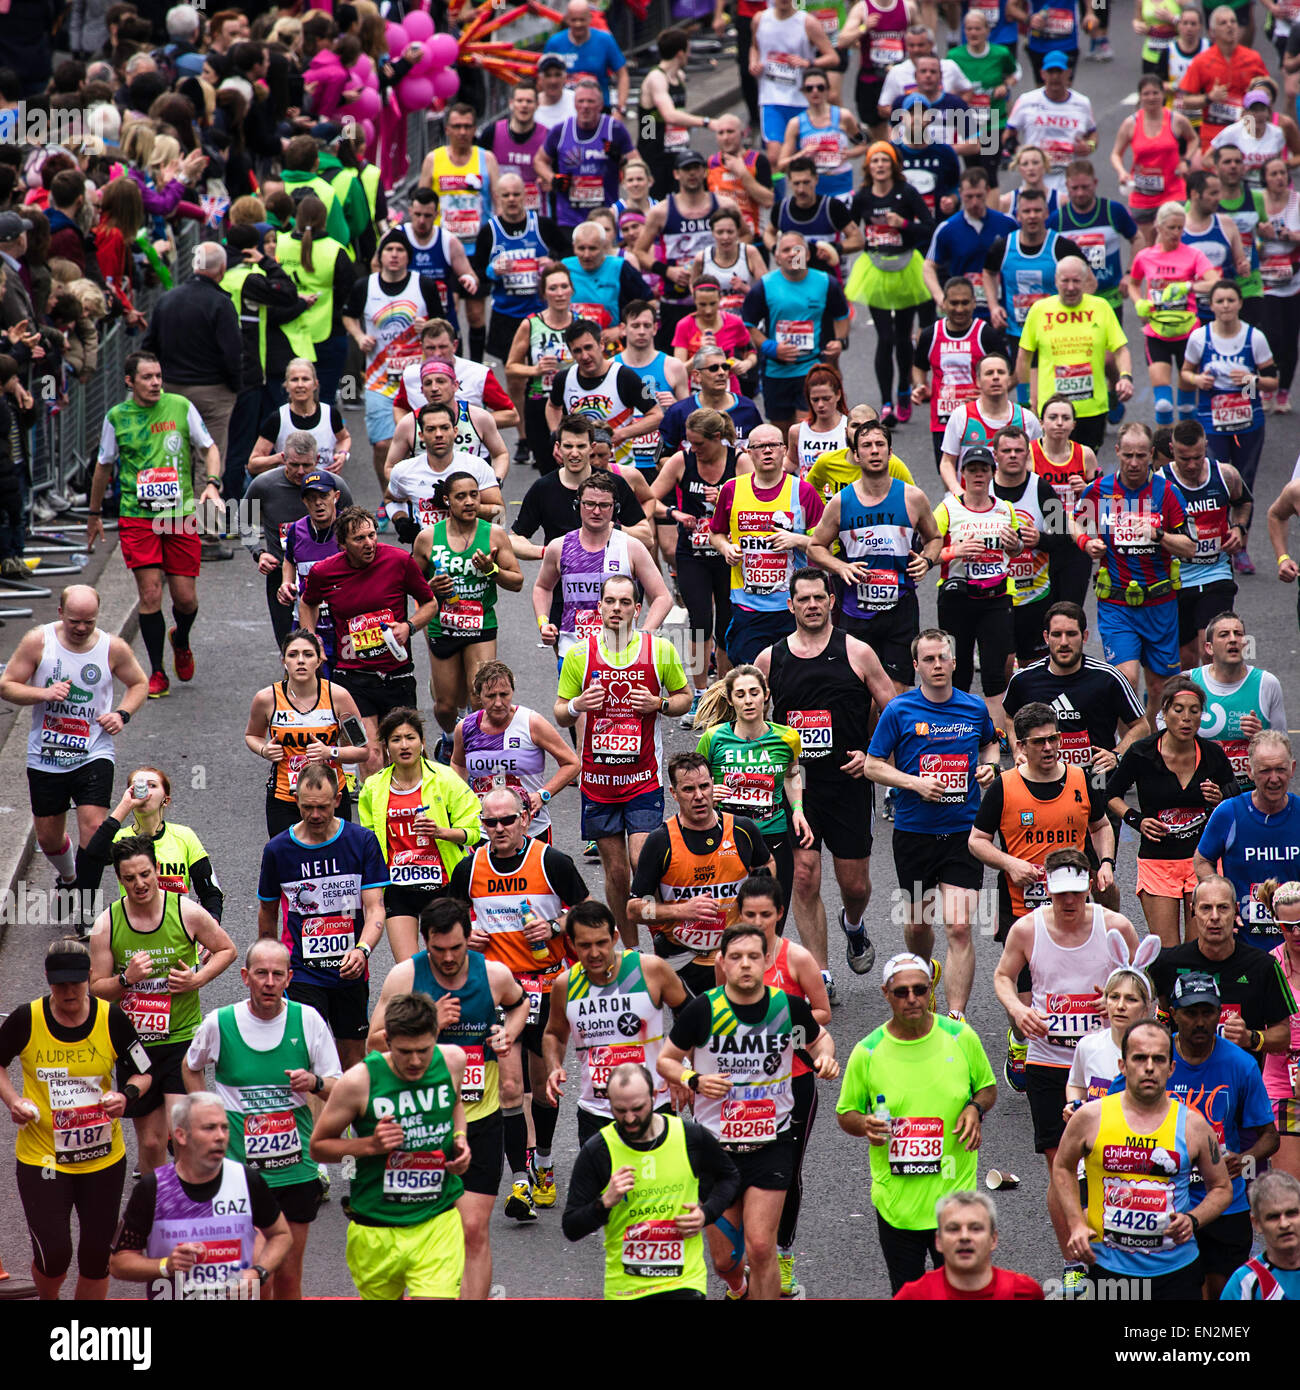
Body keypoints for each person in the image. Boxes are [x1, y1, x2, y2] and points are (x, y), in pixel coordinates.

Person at [658, 922, 837, 1300]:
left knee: (760, 1246)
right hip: (716, 1151)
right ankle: (738, 1288)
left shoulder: (785, 1008)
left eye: (753, 957)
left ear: (767, 960)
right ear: (721, 962)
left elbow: (820, 1042)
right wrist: (694, 1080)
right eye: (735, 957)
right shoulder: (703, 1010)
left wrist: (827, 1061)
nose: (745, 965)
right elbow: (667, 1060)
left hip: (771, 1143)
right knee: (725, 1260)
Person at [367, 898, 528, 1298]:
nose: (450, 958)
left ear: (467, 937)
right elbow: (372, 1044)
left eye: (457, 948)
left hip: (480, 1119)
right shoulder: (406, 978)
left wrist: (509, 1032)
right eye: (439, 950)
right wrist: (427, 1024)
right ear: (425, 942)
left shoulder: (491, 974)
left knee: (472, 1228)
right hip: (421, 1124)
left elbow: (519, 1002)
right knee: (420, 1229)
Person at [446, 787, 590, 1217]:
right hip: (496, 989)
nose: (499, 829)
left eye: (507, 820)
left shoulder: (551, 861)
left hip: (547, 985)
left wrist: (553, 925)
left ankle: (544, 1161)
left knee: (543, 1087)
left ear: (525, 819)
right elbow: (444, 918)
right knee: (511, 1087)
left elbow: (588, 912)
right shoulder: (470, 867)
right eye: (490, 823)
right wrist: (462, 935)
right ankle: (521, 1181)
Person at [756, 568, 899, 991]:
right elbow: (753, 718)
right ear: (790, 605)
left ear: (831, 600)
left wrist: (871, 754)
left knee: (854, 884)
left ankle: (853, 924)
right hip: (797, 784)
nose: (812, 605)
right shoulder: (771, 658)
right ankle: (821, 973)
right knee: (803, 875)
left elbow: (893, 711)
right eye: (803, 599)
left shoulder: (857, 652)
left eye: (819, 597)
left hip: (848, 783)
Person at [180, 939, 341, 1302]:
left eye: (277, 974)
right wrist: (206, 1112)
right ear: (245, 977)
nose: (269, 982)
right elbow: (190, 1067)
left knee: (288, 1276)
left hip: (296, 1171)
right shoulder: (220, 1023)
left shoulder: (308, 1020)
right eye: (261, 973)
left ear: (289, 979)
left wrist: (313, 1082)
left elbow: (338, 1087)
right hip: (241, 1174)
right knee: (254, 1278)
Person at [837, 951, 997, 1294]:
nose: (912, 999)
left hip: (956, 1201)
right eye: (901, 992)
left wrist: (975, 1109)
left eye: (920, 990)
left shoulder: (960, 1037)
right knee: (907, 1291)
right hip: (897, 1205)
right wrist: (865, 1123)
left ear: (930, 990)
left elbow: (987, 1088)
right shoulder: (867, 1052)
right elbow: (845, 1113)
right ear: (885, 993)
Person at [0, 938, 150, 1301]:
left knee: (97, 1258)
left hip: (103, 1159)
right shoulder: (27, 1018)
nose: (69, 991)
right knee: (54, 1255)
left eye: (77, 982)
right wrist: (13, 1100)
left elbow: (143, 1072)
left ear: (90, 978)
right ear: (49, 981)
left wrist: (125, 1096)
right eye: (60, 983)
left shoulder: (111, 1017)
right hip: (44, 1158)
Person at [864, 630, 1000, 1019]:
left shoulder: (974, 708)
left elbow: (991, 743)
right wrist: (913, 782)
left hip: (963, 833)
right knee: (918, 925)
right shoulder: (899, 710)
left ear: (955, 662)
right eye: (929, 659)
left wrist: (989, 765)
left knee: (959, 927)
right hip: (915, 833)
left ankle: (955, 1019)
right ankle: (924, 975)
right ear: (916, 666)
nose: (937, 665)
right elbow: (873, 765)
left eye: (943, 657)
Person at [992, 849, 1135, 1212]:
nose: (1069, 901)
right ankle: (1075, 1260)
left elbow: (1146, 981)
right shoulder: (1027, 929)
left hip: (1105, 1065)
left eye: (1076, 891)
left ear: (1089, 884)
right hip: (1048, 1063)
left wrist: (1122, 998)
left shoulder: (1115, 926)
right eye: (1060, 893)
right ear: (1047, 888)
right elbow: (1003, 976)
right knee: (1062, 1172)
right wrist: (1018, 1009)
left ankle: (1111, 1247)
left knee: (1109, 1165)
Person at [1051, 1019, 1232, 1300]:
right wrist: (1076, 1222)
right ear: (1122, 1066)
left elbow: (1221, 1188)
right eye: (1139, 1058)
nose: (1149, 1067)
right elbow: (1062, 1167)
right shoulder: (1090, 1117)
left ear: (1172, 1069)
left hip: (1176, 1272)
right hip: (1109, 1270)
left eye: (1159, 1059)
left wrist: (1193, 1220)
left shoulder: (1193, 1126)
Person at [556, 573, 692, 943]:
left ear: (636, 608)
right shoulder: (579, 654)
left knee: (641, 861)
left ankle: (667, 935)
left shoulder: (659, 651)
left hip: (643, 777)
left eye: (624, 602)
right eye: (610, 601)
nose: (616, 608)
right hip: (598, 784)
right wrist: (576, 705)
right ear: (599, 606)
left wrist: (660, 704)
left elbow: (685, 699)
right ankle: (631, 951)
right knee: (616, 872)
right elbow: (559, 712)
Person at [87, 836, 235, 1176]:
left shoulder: (185, 911)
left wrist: (197, 979)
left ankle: (190, 1210)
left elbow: (226, 949)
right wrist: (126, 979)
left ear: (156, 870)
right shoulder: (107, 924)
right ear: (119, 880)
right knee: (152, 1144)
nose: (139, 884)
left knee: (181, 1135)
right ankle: (157, 1214)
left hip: (180, 1040)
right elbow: (96, 991)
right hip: (134, 1046)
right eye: (129, 878)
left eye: (145, 874)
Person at [311, 992, 471, 1301]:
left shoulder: (453, 1060)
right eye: (404, 1051)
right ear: (387, 1039)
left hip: (436, 1221)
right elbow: (319, 1147)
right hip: (375, 1227)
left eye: (423, 1051)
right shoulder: (358, 1082)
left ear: (436, 1034)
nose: (415, 1061)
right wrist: (370, 1144)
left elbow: (455, 1103)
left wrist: (460, 1140)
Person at [1, 584, 147, 917]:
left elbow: (139, 683)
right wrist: (43, 694)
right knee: (49, 838)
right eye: (73, 622)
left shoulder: (113, 648)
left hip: (94, 752)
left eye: (89, 622)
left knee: (95, 830)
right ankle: (69, 876)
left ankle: (83, 908)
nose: (81, 628)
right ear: (60, 615)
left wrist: (121, 713)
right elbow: (7, 685)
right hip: (47, 755)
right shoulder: (39, 641)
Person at [86, 351, 222, 698]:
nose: (156, 383)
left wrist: (212, 482)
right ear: (130, 381)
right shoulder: (117, 417)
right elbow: (104, 466)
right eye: (147, 377)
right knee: (150, 594)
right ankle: (158, 671)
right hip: (138, 515)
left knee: (186, 599)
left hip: (179, 515)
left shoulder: (180, 406)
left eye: (159, 376)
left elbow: (210, 448)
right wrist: (94, 513)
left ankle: (182, 637)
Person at [561, 1059, 740, 1300]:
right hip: (626, 1288)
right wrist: (605, 1202)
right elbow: (571, 1227)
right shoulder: (599, 1150)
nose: (631, 1119)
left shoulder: (690, 1137)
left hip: (683, 1281)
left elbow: (729, 1177)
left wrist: (705, 1214)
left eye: (637, 1108)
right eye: (620, 1111)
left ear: (654, 1096)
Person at [730, 874, 831, 1297]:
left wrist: (785, 1026)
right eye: (749, 914)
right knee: (734, 1171)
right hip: (742, 1085)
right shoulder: (731, 958)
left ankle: (782, 1254)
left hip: (793, 1082)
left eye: (765, 915)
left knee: (786, 1172)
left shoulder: (797, 959)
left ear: (780, 914)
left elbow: (821, 1013)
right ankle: (740, 1264)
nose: (757, 921)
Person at [256, 762, 387, 1071]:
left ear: (338, 800)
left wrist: (362, 950)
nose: (314, 815)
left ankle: (355, 1119)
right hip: (301, 971)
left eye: (323, 807)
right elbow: (268, 910)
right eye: (307, 807)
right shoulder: (278, 849)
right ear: (296, 801)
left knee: (353, 1061)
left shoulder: (362, 842)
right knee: (309, 1061)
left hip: (350, 969)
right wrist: (269, 963)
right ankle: (316, 1122)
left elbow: (375, 908)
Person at [1159, 972, 1280, 1296]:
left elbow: (1270, 1136)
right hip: (1168, 1201)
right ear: (1173, 1013)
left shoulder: (1240, 1064)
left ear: (1219, 1013)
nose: (1200, 1022)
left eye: (1207, 1012)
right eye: (1190, 1013)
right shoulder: (1156, 1059)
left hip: (1227, 1203)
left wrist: (1246, 1159)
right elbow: (1115, 1109)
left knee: (1222, 1291)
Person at [1002, 602, 1148, 869]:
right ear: (1046, 638)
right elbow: (1010, 716)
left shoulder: (1108, 678)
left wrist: (1117, 755)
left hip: (1094, 788)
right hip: (1041, 786)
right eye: (1056, 635)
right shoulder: (1024, 680)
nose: (1064, 642)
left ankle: (1104, 912)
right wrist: (1017, 750)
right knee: (1042, 872)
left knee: (1100, 877)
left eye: (1071, 634)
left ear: (1085, 636)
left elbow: (1141, 726)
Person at [297, 505, 439, 776]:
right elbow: (307, 604)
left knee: (405, 755)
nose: (369, 543)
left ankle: (406, 812)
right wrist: (312, 639)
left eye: (372, 535)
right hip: (353, 678)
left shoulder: (399, 561)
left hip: (397, 676)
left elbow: (429, 603)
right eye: (359, 539)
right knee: (371, 756)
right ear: (342, 544)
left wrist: (409, 626)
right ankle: (374, 817)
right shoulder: (324, 572)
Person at [109, 1091, 292, 1300]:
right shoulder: (154, 1188)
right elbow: (118, 1263)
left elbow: (281, 1235)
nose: (221, 1136)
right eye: (209, 1128)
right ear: (181, 1135)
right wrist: (164, 1265)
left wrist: (258, 1272)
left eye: (224, 1127)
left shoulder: (246, 1180)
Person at [1073, 424, 1196, 718]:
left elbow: (1190, 547)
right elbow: (1073, 519)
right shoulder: (1099, 490)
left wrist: (1159, 535)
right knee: (1126, 680)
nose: (1133, 462)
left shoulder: (1167, 492)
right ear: (1117, 452)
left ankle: (1151, 743)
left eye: (1141, 455)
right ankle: (1126, 750)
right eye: (1127, 455)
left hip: (1160, 605)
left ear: (1152, 454)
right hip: (1117, 605)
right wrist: (1085, 541)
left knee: (1160, 689)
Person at [1107, 677, 1238, 951]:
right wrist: (1137, 820)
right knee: (1167, 953)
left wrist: (1220, 798)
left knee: (1200, 947)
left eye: (1194, 710)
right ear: (1164, 712)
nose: (1187, 718)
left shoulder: (1213, 755)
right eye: (1178, 709)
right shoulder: (1141, 753)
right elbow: (1111, 794)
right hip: (1158, 862)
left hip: (1201, 860)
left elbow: (1236, 798)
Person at [629, 751, 775, 998]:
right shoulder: (660, 841)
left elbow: (767, 863)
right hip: (681, 959)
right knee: (698, 1031)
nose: (698, 796)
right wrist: (681, 910)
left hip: (735, 953)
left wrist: (758, 905)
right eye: (688, 790)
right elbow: (635, 909)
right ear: (674, 794)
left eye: (704, 786)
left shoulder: (741, 830)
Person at [544, 899, 688, 1148]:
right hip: (596, 1111)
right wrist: (554, 1066)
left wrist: (680, 1068)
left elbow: (691, 1018)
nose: (595, 953)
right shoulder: (565, 985)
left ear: (615, 937)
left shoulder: (650, 970)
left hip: (653, 1104)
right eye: (585, 945)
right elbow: (553, 1034)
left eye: (601, 942)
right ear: (571, 944)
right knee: (605, 1188)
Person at [357, 707, 481, 962]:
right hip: (398, 888)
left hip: (444, 884)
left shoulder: (446, 779)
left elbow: (474, 832)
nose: (404, 745)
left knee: (448, 962)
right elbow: (368, 842)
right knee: (408, 969)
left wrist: (441, 832)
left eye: (411, 737)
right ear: (385, 746)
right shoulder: (372, 788)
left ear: (422, 742)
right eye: (396, 739)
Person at [695, 665, 810, 933]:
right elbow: (694, 786)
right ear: (730, 699)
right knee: (730, 922)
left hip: (774, 836)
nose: (748, 700)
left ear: (765, 695)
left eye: (754, 693)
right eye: (741, 694)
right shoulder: (714, 738)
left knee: (772, 921)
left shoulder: (787, 737)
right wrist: (710, 794)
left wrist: (798, 810)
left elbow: (793, 774)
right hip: (727, 840)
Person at [413, 471, 522, 751]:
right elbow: (411, 584)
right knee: (446, 706)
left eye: (474, 494)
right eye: (461, 496)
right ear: (447, 500)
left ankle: (476, 753)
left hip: (480, 626)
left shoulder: (494, 534)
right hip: (443, 626)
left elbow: (518, 581)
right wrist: (430, 587)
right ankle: (450, 737)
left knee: (479, 697)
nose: (469, 501)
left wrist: (492, 570)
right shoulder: (427, 538)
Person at [342, 229, 450, 509]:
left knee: (420, 441)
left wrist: (427, 325)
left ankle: (421, 497)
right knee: (382, 445)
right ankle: (391, 500)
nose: (394, 255)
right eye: (388, 250)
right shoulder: (365, 286)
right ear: (380, 256)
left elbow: (443, 326)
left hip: (419, 380)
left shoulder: (423, 284)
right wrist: (359, 337)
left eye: (400, 250)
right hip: (379, 379)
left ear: (408, 257)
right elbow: (349, 316)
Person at [651, 410, 748, 715]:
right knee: (699, 622)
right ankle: (699, 694)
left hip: (728, 554)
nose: (694, 449)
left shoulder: (740, 462)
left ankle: (723, 693)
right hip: (692, 554)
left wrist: (726, 498)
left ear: (717, 438)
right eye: (690, 443)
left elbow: (758, 502)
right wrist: (674, 514)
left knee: (727, 625)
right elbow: (648, 498)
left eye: (699, 444)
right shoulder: (682, 460)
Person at [708, 423, 825, 665]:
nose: (767, 451)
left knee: (794, 679)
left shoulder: (803, 491)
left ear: (784, 450)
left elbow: (824, 543)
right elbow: (715, 533)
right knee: (752, 679)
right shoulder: (731, 489)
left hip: (793, 607)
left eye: (773, 445)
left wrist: (797, 540)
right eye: (760, 446)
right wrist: (726, 548)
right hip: (748, 607)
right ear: (749, 453)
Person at [931, 445, 1023, 734]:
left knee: (995, 674)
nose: (978, 475)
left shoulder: (1005, 508)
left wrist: (1015, 545)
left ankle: (996, 739)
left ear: (993, 473)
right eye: (972, 469)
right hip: (957, 600)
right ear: (963, 474)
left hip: (996, 598)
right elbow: (927, 554)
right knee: (957, 671)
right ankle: (954, 732)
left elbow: (1018, 548)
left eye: (984, 469)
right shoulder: (947, 508)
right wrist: (953, 551)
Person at [534, 472, 669, 663]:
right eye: (589, 504)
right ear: (577, 505)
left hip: (621, 652)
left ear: (615, 508)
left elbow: (663, 597)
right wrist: (543, 623)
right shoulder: (559, 546)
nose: (596, 511)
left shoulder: (631, 547)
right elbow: (543, 587)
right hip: (574, 652)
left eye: (604, 505)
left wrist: (645, 635)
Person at [845, 141, 934, 426]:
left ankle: (904, 391)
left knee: (902, 336)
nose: (880, 165)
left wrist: (903, 225)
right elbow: (850, 229)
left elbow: (930, 226)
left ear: (893, 164)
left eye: (885, 160)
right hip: (876, 269)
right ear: (869, 167)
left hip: (906, 266)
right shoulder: (862, 197)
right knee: (884, 338)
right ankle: (886, 402)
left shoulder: (906, 193)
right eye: (875, 161)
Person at [245, 629, 367, 837]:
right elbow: (252, 736)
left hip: (331, 797)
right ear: (284, 661)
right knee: (287, 863)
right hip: (284, 797)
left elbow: (362, 750)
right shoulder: (267, 698)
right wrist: (264, 750)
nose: (300, 661)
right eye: (293, 655)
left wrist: (330, 753)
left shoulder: (338, 696)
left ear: (319, 661)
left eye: (308, 655)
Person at [244, 438, 356, 650]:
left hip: (333, 574)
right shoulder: (264, 484)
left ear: (317, 459)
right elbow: (240, 519)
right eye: (294, 465)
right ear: (283, 459)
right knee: (290, 646)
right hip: (283, 573)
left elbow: (354, 524)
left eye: (307, 465)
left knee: (337, 644)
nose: (300, 471)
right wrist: (258, 552)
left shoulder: (334, 485)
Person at [141, 241, 243, 471]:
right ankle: (203, 508)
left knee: (174, 458)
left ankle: (175, 507)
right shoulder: (221, 304)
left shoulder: (167, 299)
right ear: (222, 268)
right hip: (212, 392)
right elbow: (232, 353)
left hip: (171, 390)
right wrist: (234, 387)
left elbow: (148, 347)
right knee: (210, 460)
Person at [452, 661, 580, 842]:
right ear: (479, 695)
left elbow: (572, 763)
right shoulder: (465, 728)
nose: (498, 702)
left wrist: (543, 794)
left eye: (504, 694)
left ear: (512, 691)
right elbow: (458, 763)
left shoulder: (531, 722)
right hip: (485, 831)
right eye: (490, 696)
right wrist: (462, 799)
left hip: (531, 829)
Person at [1195, 730, 1300, 950]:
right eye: (1265, 771)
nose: (1274, 778)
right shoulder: (1229, 812)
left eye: (1280, 769)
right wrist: (1222, 900)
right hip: (1243, 944)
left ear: (1292, 769)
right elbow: (1202, 860)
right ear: (1249, 772)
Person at [1017, 257, 1133, 452]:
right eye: (1065, 281)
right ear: (1056, 281)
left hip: (1092, 409)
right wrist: (1026, 402)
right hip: (1053, 412)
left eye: (1076, 281)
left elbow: (1120, 350)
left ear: (1086, 281)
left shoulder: (1101, 307)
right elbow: (1024, 357)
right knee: (1053, 469)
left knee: (1087, 470)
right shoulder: (1039, 310)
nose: (1070, 287)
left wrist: (1125, 377)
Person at [1159, 428, 1250, 672]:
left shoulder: (1225, 475)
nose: (1191, 465)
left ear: (1206, 446)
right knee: (1185, 661)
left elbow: (1243, 502)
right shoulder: (1160, 481)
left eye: (1197, 457)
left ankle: (1212, 707)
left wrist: (1239, 528)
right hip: (1177, 579)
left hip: (1216, 572)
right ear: (1172, 450)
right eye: (1184, 458)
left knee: (1209, 651)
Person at [742, 231, 851, 435]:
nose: (792, 254)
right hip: (776, 371)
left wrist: (839, 341)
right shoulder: (764, 286)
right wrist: (770, 347)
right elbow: (748, 324)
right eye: (785, 250)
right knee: (782, 433)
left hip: (811, 367)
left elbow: (842, 316)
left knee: (806, 428)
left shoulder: (826, 283)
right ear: (777, 257)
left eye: (797, 249)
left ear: (807, 255)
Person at [1181, 281, 1275, 514]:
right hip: (1211, 423)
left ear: (1240, 304)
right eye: (1220, 301)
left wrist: (1252, 380)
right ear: (1211, 305)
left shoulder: (1254, 338)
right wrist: (1197, 381)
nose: (1225, 306)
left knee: (1244, 484)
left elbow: (1273, 382)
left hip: (1249, 424)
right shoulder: (1200, 338)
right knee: (1213, 483)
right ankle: (1217, 540)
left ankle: (1241, 543)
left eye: (1230, 300)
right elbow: (1184, 373)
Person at [1128, 202, 1219, 428]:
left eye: (1181, 228)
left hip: (1188, 333)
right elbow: (1133, 283)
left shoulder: (1193, 255)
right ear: (1159, 227)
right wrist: (1139, 302)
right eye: (1172, 228)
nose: (1177, 233)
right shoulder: (1145, 256)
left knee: (1187, 407)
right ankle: (1165, 451)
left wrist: (1188, 287)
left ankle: (1189, 448)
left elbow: (1215, 282)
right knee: (1164, 405)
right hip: (1157, 332)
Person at [984, 188, 1085, 381]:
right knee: (1027, 398)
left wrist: (1076, 312)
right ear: (1017, 215)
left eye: (1037, 211)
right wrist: (993, 306)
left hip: (1059, 334)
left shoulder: (1062, 247)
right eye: (1027, 211)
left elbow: (1089, 281)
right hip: (1019, 332)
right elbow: (988, 272)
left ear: (1047, 214)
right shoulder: (1002, 247)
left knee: (1057, 395)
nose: (1032, 216)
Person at [912, 278, 1004, 469]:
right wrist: (920, 385)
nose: (959, 309)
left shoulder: (985, 334)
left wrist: (990, 393)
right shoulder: (930, 335)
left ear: (973, 303)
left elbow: (1010, 373)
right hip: (943, 421)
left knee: (982, 473)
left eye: (965, 302)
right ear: (943, 303)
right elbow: (919, 366)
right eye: (954, 303)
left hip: (980, 419)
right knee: (948, 472)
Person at [546, 318, 662, 467]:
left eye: (588, 347)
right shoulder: (563, 378)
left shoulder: (625, 377)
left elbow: (657, 416)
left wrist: (619, 434)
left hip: (618, 468)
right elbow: (552, 406)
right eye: (577, 351)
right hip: (578, 469)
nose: (585, 356)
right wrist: (557, 436)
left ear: (601, 344)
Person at [385, 401, 504, 541]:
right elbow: (390, 500)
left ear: (454, 432)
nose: (439, 434)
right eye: (431, 429)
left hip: (471, 554)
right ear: (421, 435)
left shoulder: (477, 466)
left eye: (444, 428)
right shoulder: (404, 471)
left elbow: (499, 514)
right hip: (426, 554)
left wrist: (458, 505)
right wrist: (400, 519)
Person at [894, 1191, 1044, 1300]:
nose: (964, 1237)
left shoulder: (1026, 1292)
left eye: (975, 1228)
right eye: (953, 1229)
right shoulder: (913, 1296)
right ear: (938, 1241)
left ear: (993, 1239)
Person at [1066, 943, 1162, 1107]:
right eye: (1114, 997)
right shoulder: (1088, 1046)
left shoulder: (1161, 1051)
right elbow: (1076, 1084)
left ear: (1146, 1008)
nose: (1120, 1006)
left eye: (1131, 999)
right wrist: (1073, 1105)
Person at [536, 79, 635, 231]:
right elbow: (539, 161)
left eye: (591, 101)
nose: (585, 106)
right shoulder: (560, 131)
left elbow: (637, 163)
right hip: (569, 219)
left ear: (601, 105)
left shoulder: (614, 129)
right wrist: (553, 178)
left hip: (605, 218)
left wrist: (621, 160)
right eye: (581, 101)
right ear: (574, 104)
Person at [751, 0, 839, 171]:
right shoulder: (760, 19)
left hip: (801, 101)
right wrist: (754, 62)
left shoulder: (807, 22)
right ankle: (779, 197)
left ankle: (808, 194)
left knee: (808, 158)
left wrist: (808, 63)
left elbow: (833, 57)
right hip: (771, 98)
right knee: (774, 158)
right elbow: (755, 47)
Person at [939, 352, 1042, 496]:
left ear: (1009, 379)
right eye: (989, 373)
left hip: (1016, 499)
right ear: (978, 381)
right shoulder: (961, 416)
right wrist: (958, 492)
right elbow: (947, 462)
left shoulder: (1027, 419)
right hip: (969, 499)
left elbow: (1037, 462)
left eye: (1001, 372)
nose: (995, 377)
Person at [923, 168, 1018, 324]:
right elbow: (928, 266)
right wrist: (940, 298)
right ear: (960, 193)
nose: (974, 202)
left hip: (1001, 311)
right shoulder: (947, 228)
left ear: (987, 191)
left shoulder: (1007, 223)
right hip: (964, 313)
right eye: (969, 197)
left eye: (979, 196)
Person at [1029, 397, 1099, 604]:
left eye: (1065, 418)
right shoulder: (1030, 454)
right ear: (1041, 423)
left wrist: (1087, 490)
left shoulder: (1085, 454)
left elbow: (1103, 505)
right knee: (1043, 608)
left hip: (1075, 543)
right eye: (1053, 417)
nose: (1059, 422)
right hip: (1043, 542)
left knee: (1071, 607)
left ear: (1073, 424)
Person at [1112, 75, 1196, 245]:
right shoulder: (1131, 124)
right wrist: (1122, 172)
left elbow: (1193, 139)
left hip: (1172, 190)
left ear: (1163, 95)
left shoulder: (1176, 120)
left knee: (1172, 243)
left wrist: (1185, 161)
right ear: (1140, 97)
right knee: (1146, 247)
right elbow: (1115, 154)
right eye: (1146, 94)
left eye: (1155, 93)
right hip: (1142, 195)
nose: (1151, 98)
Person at [1177, 7, 1270, 152]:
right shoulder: (1201, 61)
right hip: (1214, 132)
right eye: (1223, 23)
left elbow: (1269, 92)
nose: (1230, 25)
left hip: (1248, 129)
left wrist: (1261, 90)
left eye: (1233, 21)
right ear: (1212, 32)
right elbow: (1183, 101)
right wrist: (1209, 98)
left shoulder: (1253, 58)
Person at [660, 346, 766, 457]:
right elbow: (662, 458)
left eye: (725, 367)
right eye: (713, 368)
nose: (722, 372)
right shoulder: (679, 411)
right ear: (697, 375)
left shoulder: (748, 408)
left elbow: (762, 451)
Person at [1221, 1170, 1300, 1298]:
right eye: (1273, 1217)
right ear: (1257, 1223)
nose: (1284, 1224)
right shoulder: (1243, 1284)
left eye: (1291, 1213)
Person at [544, 0, 629, 113]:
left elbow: (622, 74)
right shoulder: (554, 43)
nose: (578, 24)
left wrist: (620, 109)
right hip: (564, 110)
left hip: (599, 110)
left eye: (582, 20)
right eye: (574, 20)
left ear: (590, 18)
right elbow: (542, 78)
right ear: (567, 19)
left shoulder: (604, 40)